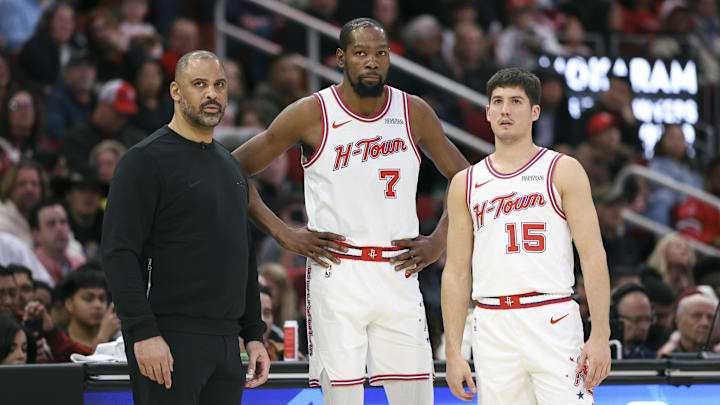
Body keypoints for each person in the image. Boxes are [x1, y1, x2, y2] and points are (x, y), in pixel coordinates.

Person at [232, 18, 469, 405]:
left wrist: (439, 241)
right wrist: (282, 232)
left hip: (399, 272)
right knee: (342, 398)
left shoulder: (414, 112)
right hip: (338, 272)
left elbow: (466, 179)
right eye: (360, 53)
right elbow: (232, 169)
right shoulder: (311, 113)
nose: (371, 62)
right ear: (342, 58)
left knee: (417, 396)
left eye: (380, 53)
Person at [101, 50, 268, 405]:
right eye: (200, 84)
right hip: (169, 336)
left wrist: (254, 333)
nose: (212, 94)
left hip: (227, 343)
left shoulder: (232, 167)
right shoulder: (144, 160)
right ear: (176, 91)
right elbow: (118, 253)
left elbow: (244, 258)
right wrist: (142, 333)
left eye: (219, 85)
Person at [442, 67, 611, 404]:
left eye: (516, 101)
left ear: (535, 112)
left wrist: (601, 334)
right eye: (498, 102)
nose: (505, 110)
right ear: (487, 112)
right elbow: (457, 271)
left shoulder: (562, 169)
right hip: (492, 323)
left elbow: (592, 255)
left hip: (552, 316)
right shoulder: (466, 182)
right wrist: (454, 351)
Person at [30, 200, 86, 285]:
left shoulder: (81, 266)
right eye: (51, 224)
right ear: (36, 235)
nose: (60, 228)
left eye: (63, 222)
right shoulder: (30, 268)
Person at [611, 283, 656, 358]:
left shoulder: (654, 359)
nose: (643, 326)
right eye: (636, 320)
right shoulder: (599, 359)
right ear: (616, 318)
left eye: (647, 319)